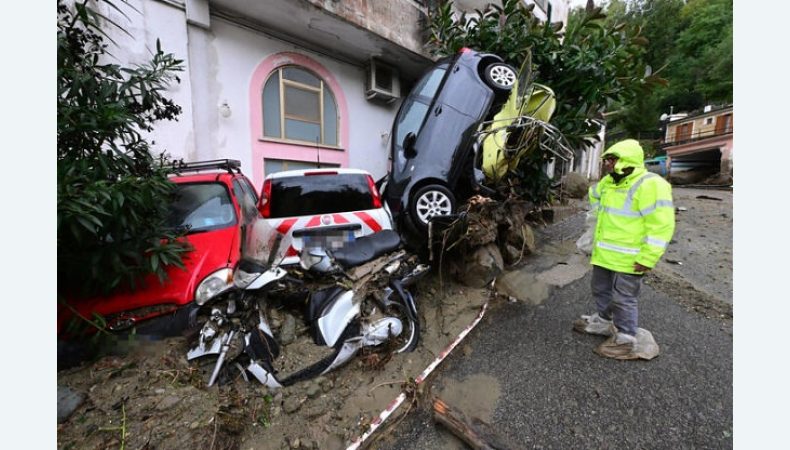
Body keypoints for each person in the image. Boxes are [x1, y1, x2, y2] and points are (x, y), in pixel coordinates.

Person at [573, 139, 675, 359]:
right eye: (607, 160)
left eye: (612, 159)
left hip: (631, 258)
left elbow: (661, 225)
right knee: (600, 289)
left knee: (624, 298)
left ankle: (626, 338)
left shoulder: (650, 185)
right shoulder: (610, 182)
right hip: (604, 254)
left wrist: (648, 258)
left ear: (627, 160)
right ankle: (604, 321)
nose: (608, 164)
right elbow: (594, 195)